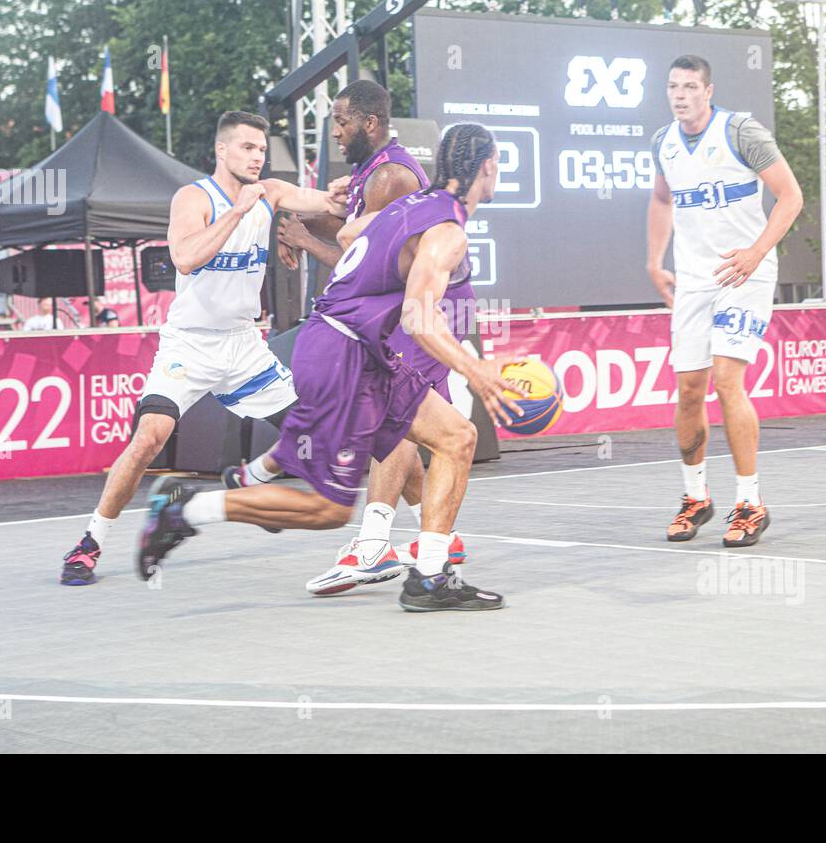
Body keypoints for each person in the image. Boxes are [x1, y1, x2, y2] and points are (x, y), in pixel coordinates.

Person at [136, 123, 521, 612]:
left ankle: (429, 579)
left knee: (457, 438)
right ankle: (186, 510)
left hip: (352, 346)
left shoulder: (411, 204)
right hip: (346, 353)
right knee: (327, 509)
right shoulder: (447, 230)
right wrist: (478, 370)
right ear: (488, 167)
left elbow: (350, 230)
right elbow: (419, 316)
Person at [58, 110, 348, 585]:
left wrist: (344, 193)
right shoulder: (193, 198)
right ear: (222, 150)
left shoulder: (271, 193)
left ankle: (245, 483)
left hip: (243, 346)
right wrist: (238, 211)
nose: (258, 157)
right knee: (149, 437)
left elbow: (328, 207)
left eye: (262, 150)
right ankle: (90, 543)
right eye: (248, 148)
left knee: (312, 441)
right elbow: (186, 258)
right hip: (189, 346)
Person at [254, 80, 474, 595]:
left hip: (414, 318)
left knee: (390, 424)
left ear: (370, 123)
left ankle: (374, 546)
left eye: (341, 121)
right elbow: (349, 229)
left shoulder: (393, 178)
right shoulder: (368, 174)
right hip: (399, 319)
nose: (334, 132)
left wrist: (305, 239)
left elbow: (372, 265)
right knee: (418, 433)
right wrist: (300, 224)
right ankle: (442, 538)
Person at [646, 54, 803, 548]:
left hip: (745, 273)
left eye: (690, 86)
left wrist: (758, 252)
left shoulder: (741, 132)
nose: (679, 95)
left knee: (726, 379)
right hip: (694, 279)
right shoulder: (664, 143)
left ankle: (750, 502)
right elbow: (661, 200)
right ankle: (696, 498)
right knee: (689, 390)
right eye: (673, 86)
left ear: (708, 91)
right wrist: (655, 260)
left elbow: (791, 196)